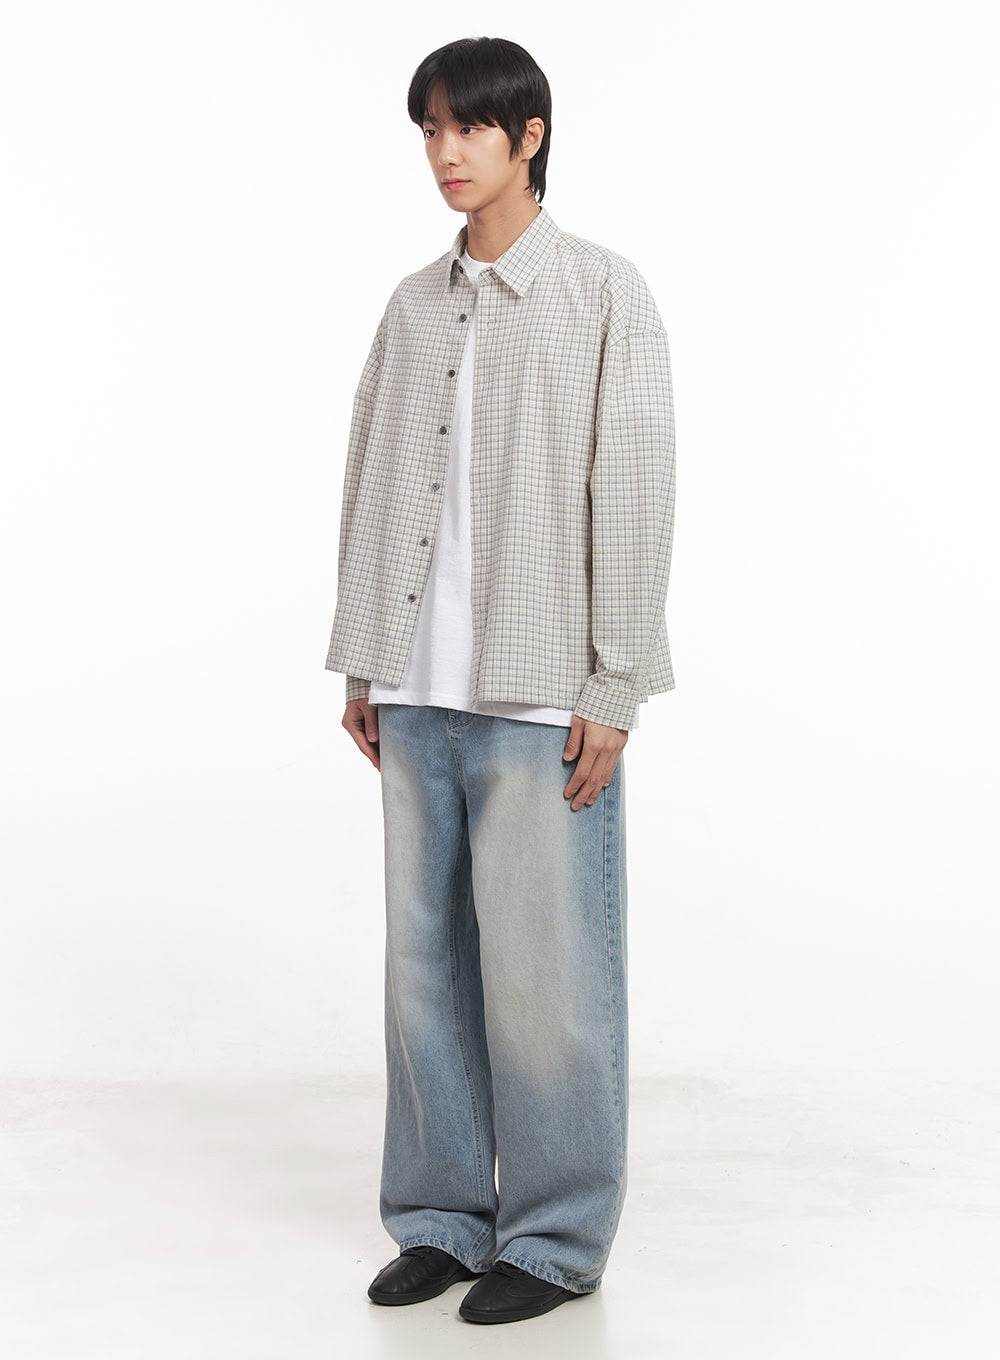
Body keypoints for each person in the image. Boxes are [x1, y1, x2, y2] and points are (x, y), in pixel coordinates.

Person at [324, 35, 676, 1326]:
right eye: (430, 129)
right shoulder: (413, 305)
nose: (446, 152)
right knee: (422, 973)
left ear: (529, 137)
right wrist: (365, 655)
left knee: (547, 984)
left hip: (539, 693)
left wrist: (615, 682)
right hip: (416, 688)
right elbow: (368, 472)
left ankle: (556, 1237)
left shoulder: (602, 293)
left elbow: (633, 490)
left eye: (470, 128)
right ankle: (440, 1219)